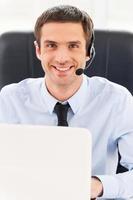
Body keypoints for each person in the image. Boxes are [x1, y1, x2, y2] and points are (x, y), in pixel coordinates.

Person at [0, 5, 133, 199]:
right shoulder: (9, 100)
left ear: (89, 52)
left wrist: (99, 186)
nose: (62, 58)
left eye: (73, 45)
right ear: (38, 50)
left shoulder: (117, 101)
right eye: (51, 45)